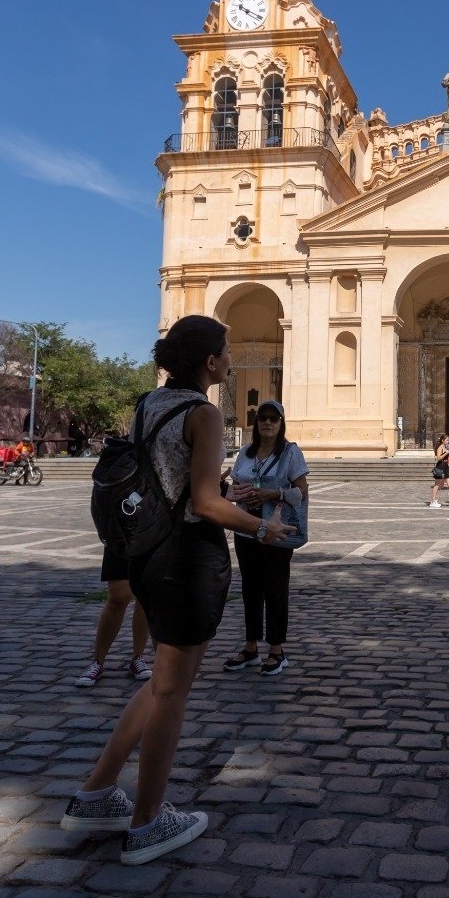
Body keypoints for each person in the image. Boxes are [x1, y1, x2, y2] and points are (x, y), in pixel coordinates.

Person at [61, 315, 289, 866]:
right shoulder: (204, 414)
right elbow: (205, 504)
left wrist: (222, 495)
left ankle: (96, 793)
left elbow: (172, 480)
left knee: (162, 683)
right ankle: (147, 823)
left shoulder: (148, 404)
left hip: (146, 553)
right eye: (226, 351)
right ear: (210, 362)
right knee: (171, 693)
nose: (231, 359)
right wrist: (262, 526)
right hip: (188, 559)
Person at [223, 399, 309, 676]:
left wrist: (274, 493)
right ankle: (250, 647)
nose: (268, 423)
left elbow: (302, 491)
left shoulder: (290, 453)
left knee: (275, 588)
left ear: (281, 423)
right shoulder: (245, 454)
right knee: (250, 589)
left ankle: (276, 650)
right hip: (246, 528)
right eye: (263, 418)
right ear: (256, 422)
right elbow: (236, 485)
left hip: (275, 529)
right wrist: (239, 492)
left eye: (274, 418)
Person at [73, 559, 153, 688]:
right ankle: (97, 661)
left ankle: (137, 657)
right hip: (121, 546)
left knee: (145, 595)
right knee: (118, 597)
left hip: (151, 546)